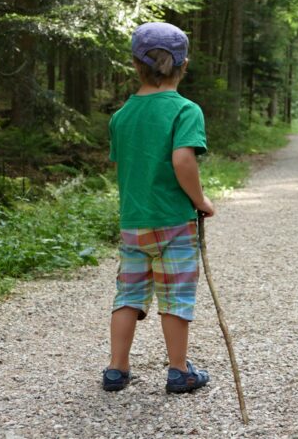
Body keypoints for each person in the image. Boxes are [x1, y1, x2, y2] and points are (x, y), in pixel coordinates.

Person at [103, 22, 215, 394]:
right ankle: (178, 370)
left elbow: (128, 167)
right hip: (173, 222)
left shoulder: (121, 117)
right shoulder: (186, 110)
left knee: (128, 294)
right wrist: (199, 200)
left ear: (136, 65)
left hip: (134, 223)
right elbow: (183, 160)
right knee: (175, 296)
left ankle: (117, 369)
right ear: (183, 65)